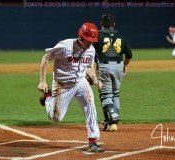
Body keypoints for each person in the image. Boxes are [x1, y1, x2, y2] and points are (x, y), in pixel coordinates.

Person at [38, 22, 104, 152]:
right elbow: (46, 57)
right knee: (55, 117)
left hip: (80, 81)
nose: (90, 43)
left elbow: (89, 66)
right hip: (62, 84)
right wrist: (42, 81)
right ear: (80, 37)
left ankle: (93, 141)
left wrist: (95, 79)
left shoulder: (90, 50)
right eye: (88, 41)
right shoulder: (65, 47)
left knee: (90, 106)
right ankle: (47, 97)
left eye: (92, 41)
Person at [94, 14, 132, 132]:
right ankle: (112, 121)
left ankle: (112, 122)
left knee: (106, 95)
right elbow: (129, 55)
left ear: (101, 24)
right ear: (114, 24)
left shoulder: (97, 36)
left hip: (104, 66)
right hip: (119, 66)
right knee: (115, 94)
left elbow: (91, 53)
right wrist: (124, 66)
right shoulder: (121, 36)